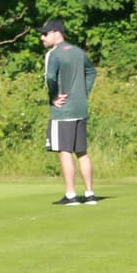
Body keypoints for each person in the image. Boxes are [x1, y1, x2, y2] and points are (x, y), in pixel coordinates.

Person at [36, 18, 97, 206]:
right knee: (81, 152)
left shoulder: (53, 54)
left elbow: (50, 79)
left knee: (64, 150)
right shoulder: (79, 52)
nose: (42, 37)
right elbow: (91, 72)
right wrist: (83, 93)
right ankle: (89, 194)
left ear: (56, 33)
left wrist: (54, 96)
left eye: (45, 33)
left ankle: (70, 195)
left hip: (63, 111)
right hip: (80, 107)